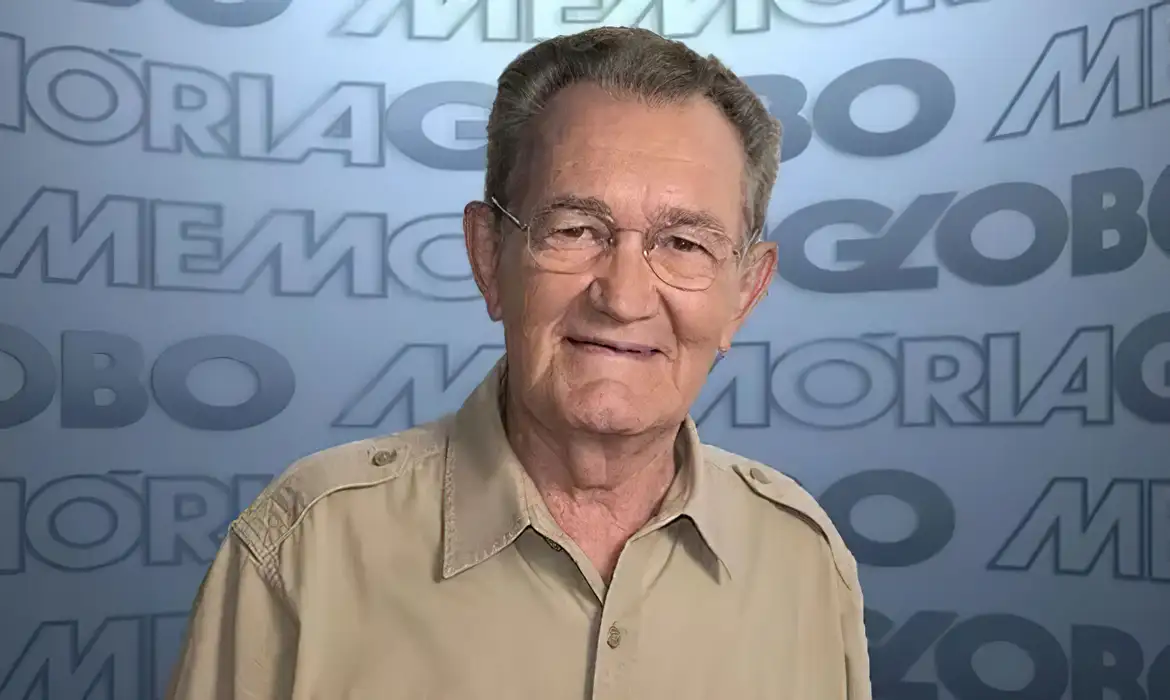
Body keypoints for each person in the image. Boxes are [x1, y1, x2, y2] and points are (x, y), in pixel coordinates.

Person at [166, 26, 871, 700]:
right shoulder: (307, 549)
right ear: (488, 256)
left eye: (684, 244)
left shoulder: (802, 561)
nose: (624, 297)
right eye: (575, 230)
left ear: (744, 292)